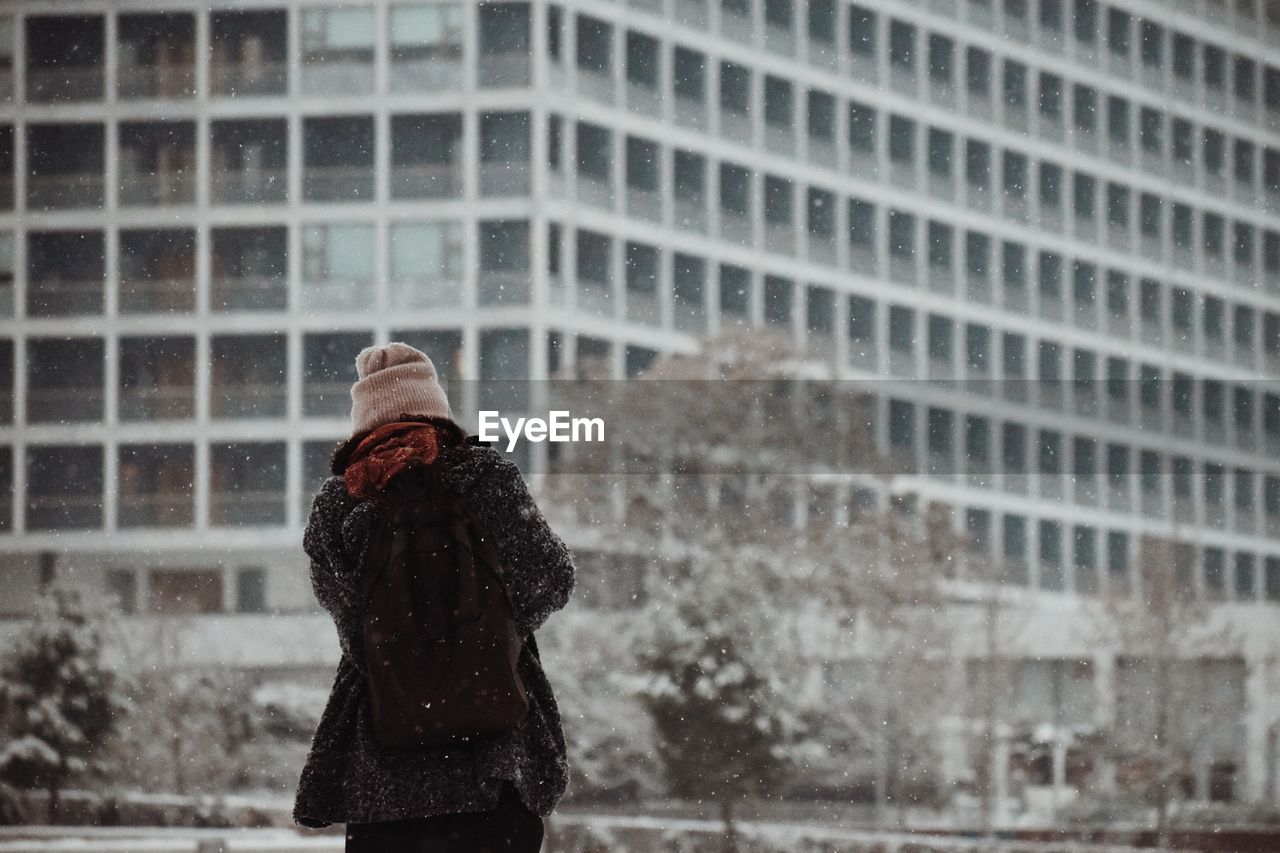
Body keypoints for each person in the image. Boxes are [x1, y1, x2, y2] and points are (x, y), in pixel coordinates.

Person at [292, 342, 576, 852]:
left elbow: (357, 638)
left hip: (383, 777)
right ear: (437, 412)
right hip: (491, 768)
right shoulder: (487, 479)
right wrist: (488, 636)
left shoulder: (339, 504)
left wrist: (409, 660)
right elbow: (553, 579)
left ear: (362, 425)